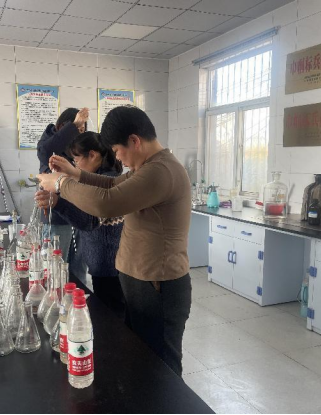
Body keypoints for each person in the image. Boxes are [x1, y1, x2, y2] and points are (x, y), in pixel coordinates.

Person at [37, 106, 192, 376]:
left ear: (134, 140)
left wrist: (61, 184)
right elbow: (112, 185)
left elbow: (107, 202)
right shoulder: (148, 166)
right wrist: (75, 173)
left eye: (118, 150)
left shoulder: (160, 171)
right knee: (142, 359)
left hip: (159, 285)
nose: (117, 157)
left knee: (162, 366)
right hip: (143, 283)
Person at [35, 132, 125, 319]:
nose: (76, 166)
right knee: (107, 309)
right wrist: (65, 177)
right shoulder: (98, 177)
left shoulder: (107, 181)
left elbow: (89, 220)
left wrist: (57, 201)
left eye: (76, 160)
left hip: (109, 264)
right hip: (102, 262)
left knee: (112, 316)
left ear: (92, 155)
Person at [36, 107, 89, 283]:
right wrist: (75, 125)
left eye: (82, 130)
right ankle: (56, 297)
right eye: (76, 129)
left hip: (79, 215)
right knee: (56, 269)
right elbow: (45, 151)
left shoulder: (78, 149)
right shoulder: (50, 141)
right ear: (62, 127)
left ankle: (80, 297)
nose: (78, 134)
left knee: (78, 268)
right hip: (57, 218)